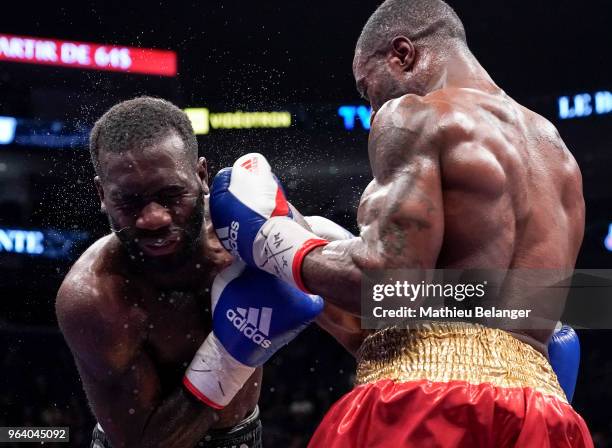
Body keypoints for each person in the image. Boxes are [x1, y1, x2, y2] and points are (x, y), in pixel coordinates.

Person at [207, 0, 593, 446]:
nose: (371, 110)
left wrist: (272, 241)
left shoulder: (414, 113)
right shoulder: (557, 153)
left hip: (425, 405)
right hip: (545, 414)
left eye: (366, 90)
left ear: (403, 53)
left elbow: (389, 282)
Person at [55, 97, 323, 448]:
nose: (154, 218)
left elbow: (357, 290)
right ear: (102, 194)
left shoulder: (248, 232)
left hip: (246, 435)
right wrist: (231, 353)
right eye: (130, 202)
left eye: (171, 195)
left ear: (201, 175)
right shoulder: (95, 297)